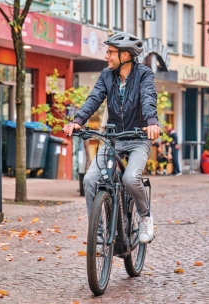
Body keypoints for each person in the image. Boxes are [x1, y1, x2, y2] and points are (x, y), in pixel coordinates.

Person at [63, 32, 161, 244]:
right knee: (90, 180)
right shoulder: (106, 76)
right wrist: (78, 120)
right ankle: (97, 232)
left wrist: (152, 123)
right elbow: (94, 98)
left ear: (125, 55)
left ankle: (145, 217)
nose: (106, 57)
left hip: (138, 137)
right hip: (113, 138)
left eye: (110, 53)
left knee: (130, 178)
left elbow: (148, 98)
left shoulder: (144, 74)